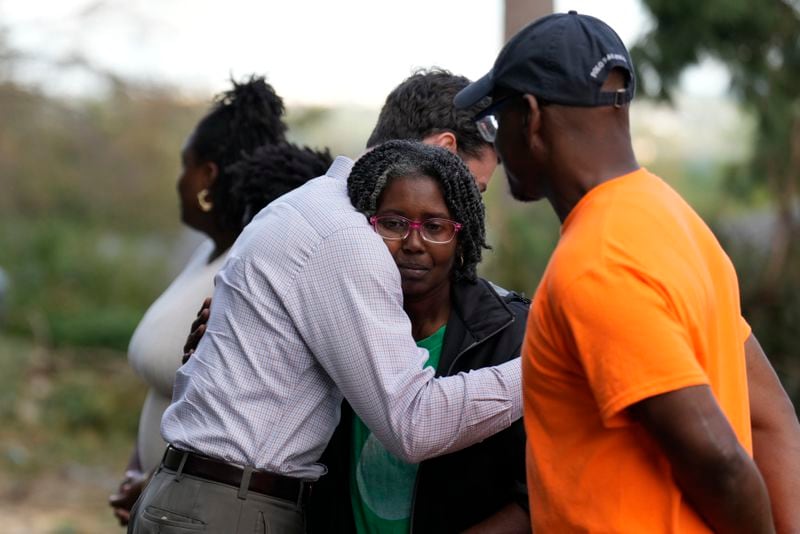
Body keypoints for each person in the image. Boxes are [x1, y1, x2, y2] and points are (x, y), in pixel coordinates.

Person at [127, 74, 523, 533]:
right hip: (232, 508)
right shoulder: (348, 241)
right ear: (444, 154)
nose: (465, 216)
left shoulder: (307, 206)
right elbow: (412, 424)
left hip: (203, 496)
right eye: (470, 190)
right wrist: (544, 364)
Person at [455, 10, 800, 533]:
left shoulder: (596, 263)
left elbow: (721, 463)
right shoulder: (675, 219)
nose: (497, 145)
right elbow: (771, 419)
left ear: (532, 117)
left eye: (497, 121)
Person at [109, 75, 332, 525]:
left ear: (207, 177)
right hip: (167, 500)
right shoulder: (203, 256)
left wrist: (154, 477)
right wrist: (142, 470)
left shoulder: (245, 274)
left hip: (202, 507)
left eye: (184, 165)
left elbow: (232, 405)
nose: (179, 180)